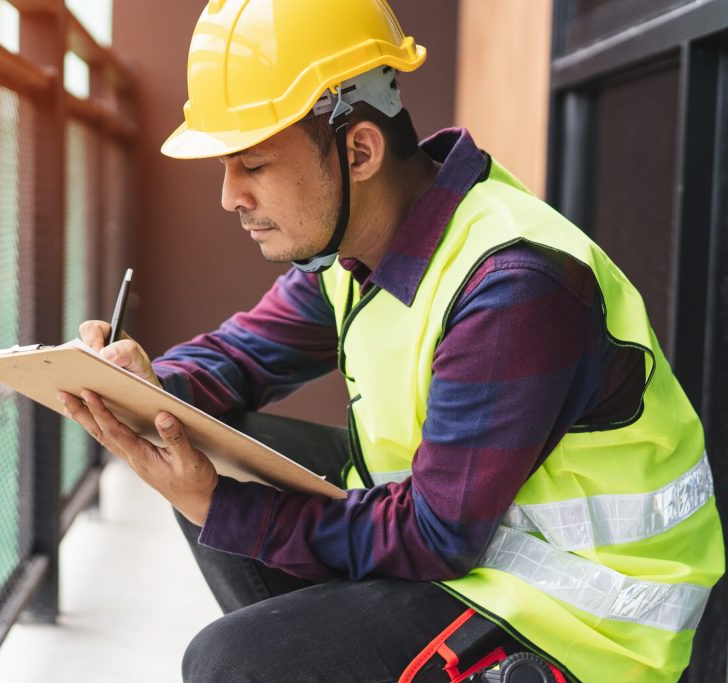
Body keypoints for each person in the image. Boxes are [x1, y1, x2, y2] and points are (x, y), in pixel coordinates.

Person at [57, 1, 724, 680]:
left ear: (359, 149)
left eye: (252, 165)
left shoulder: (512, 286)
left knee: (233, 659)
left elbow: (435, 538)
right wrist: (145, 383)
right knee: (203, 445)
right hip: (472, 552)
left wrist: (221, 507)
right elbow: (241, 354)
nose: (229, 196)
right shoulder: (355, 250)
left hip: (583, 625)